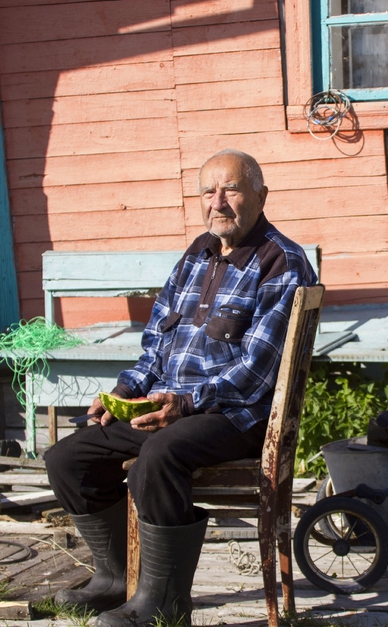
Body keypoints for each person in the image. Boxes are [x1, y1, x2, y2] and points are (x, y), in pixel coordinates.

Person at [45, 149, 317, 627]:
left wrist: (187, 403)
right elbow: (156, 341)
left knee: (159, 457)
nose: (218, 202)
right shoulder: (198, 254)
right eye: (208, 192)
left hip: (236, 415)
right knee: (68, 459)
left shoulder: (281, 261)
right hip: (169, 405)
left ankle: (165, 603)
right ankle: (116, 580)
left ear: (261, 196)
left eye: (231, 190)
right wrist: (127, 388)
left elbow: (256, 373)